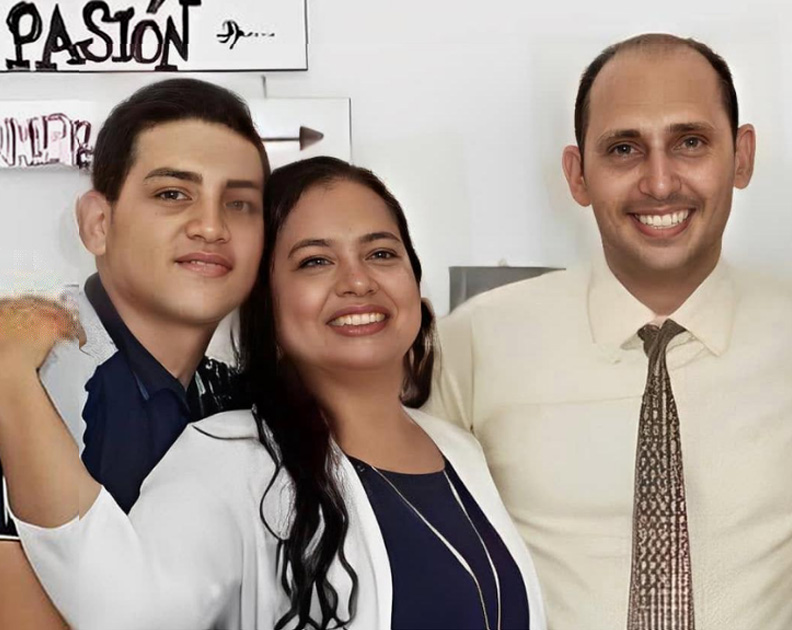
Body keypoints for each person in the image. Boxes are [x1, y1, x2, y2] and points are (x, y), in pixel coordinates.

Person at [424, 33, 792, 630]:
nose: (660, 182)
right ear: (577, 174)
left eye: (690, 142)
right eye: (624, 149)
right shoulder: (475, 344)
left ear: (741, 156)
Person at [0, 157, 546, 629]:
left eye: (381, 253)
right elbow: (122, 611)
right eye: (314, 261)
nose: (358, 281)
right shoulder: (232, 456)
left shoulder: (459, 449)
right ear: (266, 305)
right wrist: (11, 378)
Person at [0, 78, 268, 629]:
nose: (212, 226)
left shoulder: (239, 398)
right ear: (98, 223)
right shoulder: (21, 376)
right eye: (172, 194)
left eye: (239, 203)